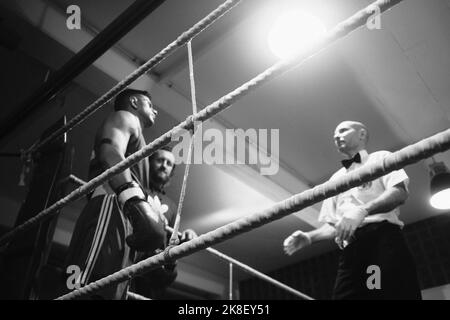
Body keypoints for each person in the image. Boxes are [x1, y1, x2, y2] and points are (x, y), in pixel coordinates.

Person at [63, 89, 195, 299]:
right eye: (150, 105)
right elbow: (110, 151)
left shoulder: (139, 146)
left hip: (124, 218)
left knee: (107, 293)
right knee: (87, 289)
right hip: (112, 206)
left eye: (170, 163)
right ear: (134, 102)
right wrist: (134, 201)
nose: (156, 111)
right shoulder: (126, 117)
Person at [283, 121, 421, 300]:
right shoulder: (334, 180)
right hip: (351, 251)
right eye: (334, 135)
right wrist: (310, 237)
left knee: (386, 294)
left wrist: (362, 211)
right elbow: (337, 224)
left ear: (362, 134)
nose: (336, 137)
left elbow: (399, 192)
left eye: (342, 130)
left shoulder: (380, 158)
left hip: (379, 241)